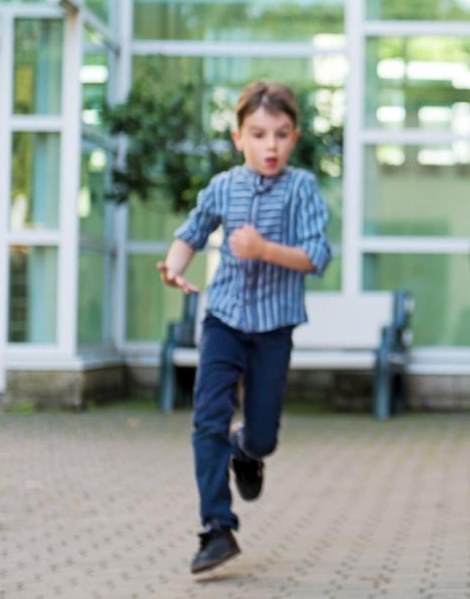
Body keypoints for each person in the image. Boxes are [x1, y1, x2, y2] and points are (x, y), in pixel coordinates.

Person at [157, 81, 331, 574]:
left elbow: (317, 257)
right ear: (239, 138)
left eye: (279, 135)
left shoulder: (303, 189)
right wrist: (174, 266)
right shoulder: (223, 186)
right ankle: (216, 528)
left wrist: (264, 250)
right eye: (258, 134)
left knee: (263, 436)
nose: (269, 146)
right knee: (207, 418)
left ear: (293, 137)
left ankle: (246, 450)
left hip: (274, 326)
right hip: (224, 320)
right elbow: (190, 234)